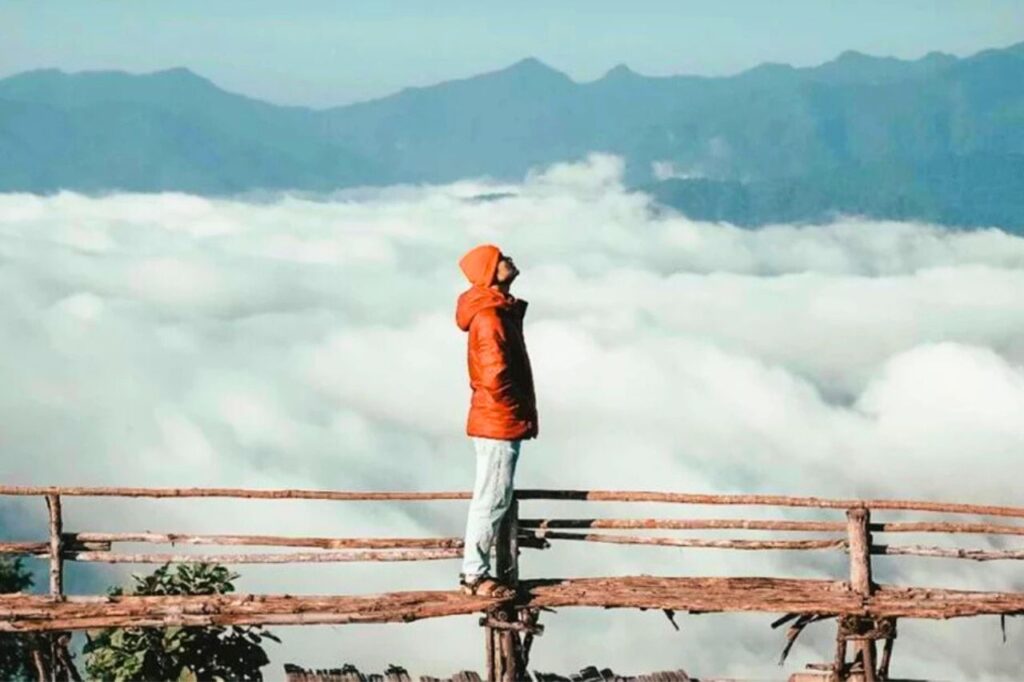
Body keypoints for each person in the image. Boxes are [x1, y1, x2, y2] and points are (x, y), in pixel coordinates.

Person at [454, 244, 538, 598]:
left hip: (496, 418)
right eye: (501, 258)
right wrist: (514, 407)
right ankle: (475, 575)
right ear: (491, 271)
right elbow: (494, 376)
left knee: (495, 496)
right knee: (491, 497)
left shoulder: (496, 312)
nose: (510, 259)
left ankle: (479, 571)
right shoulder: (490, 318)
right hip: (498, 419)